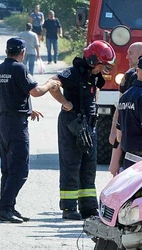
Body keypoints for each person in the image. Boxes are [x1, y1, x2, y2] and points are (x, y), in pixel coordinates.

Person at [0, 37, 60, 223]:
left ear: (6, 51)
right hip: (15, 124)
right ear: (23, 53)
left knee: (8, 168)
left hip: (3, 121)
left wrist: (28, 110)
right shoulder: (19, 68)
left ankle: (9, 207)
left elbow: (9, 95)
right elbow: (36, 91)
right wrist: (50, 84)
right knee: (20, 168)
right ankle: (4, 207)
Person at [49, 40, 116, 220]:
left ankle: (88, 207)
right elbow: (52, 84)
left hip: (89, 124)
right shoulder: (71, 74)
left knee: (89, 166)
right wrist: (65, 103)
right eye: (103, 65)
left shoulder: (94, 76)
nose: (104, 70)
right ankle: (69, 208)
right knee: (71, 165)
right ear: (93, 61)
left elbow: (94, 93)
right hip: (71, 124)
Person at [107, 41, 142, 152]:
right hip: (129, 134)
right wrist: (114, 131)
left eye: (130, 53)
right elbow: (120, 105)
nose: (127, 57)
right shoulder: (129, 75)